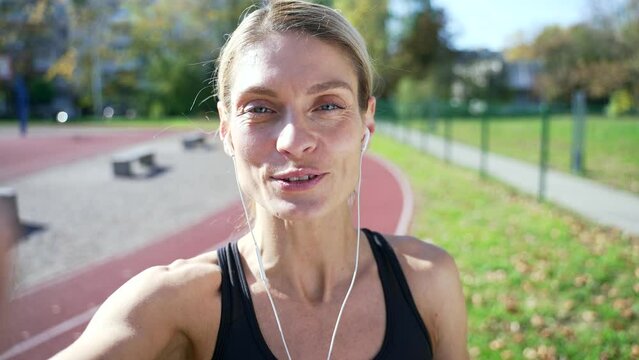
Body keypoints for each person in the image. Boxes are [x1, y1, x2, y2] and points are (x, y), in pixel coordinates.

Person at [53, 0, 468, 358]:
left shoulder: (427, 279)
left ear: (367, 121)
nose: (293, 141)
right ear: (225, 129)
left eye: (327, 106)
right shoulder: (172, 307)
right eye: (260, 108)